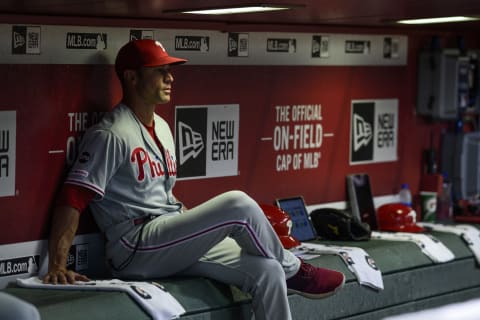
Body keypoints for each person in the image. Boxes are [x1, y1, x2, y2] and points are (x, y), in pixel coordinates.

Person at [43, 39, 345, 320]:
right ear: (132, 77)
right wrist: (57, 264)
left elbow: (163, 197)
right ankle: (296, 269)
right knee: (238, 204)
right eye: (160, 72)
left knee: (268, 271)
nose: (170, 78)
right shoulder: (110, 134)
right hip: (134, 246)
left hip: (169, 238)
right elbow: (72, 198)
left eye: (170, 71)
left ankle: (285, 270)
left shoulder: (161, 126)